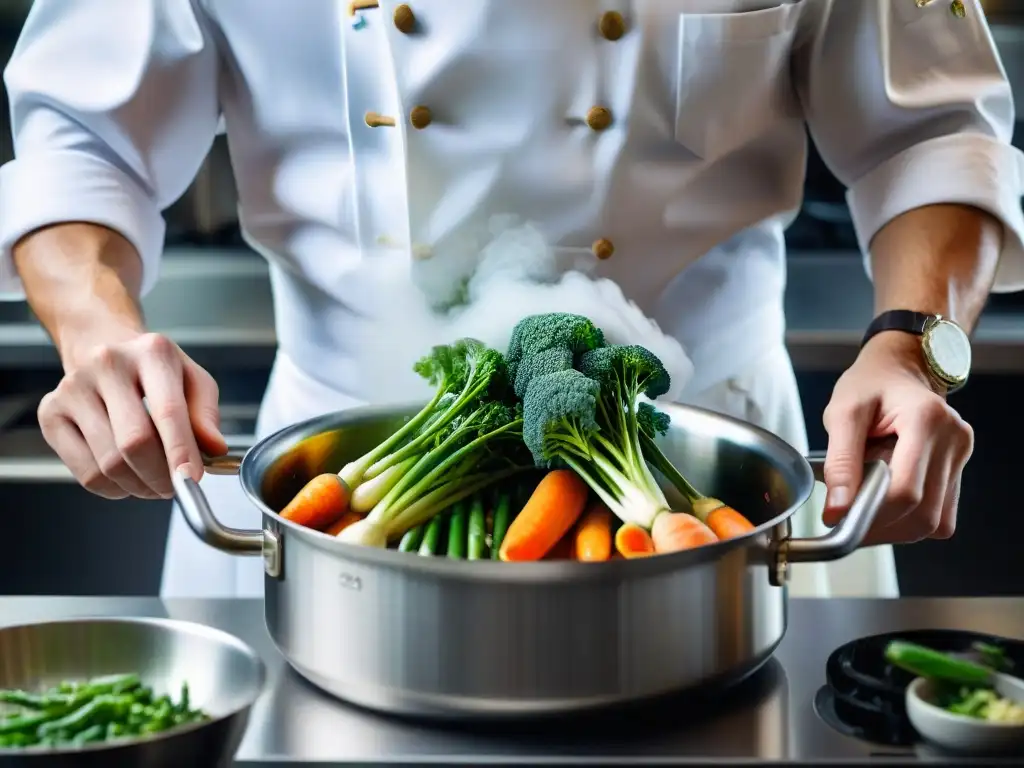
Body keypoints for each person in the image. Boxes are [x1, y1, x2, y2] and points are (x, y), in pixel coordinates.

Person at [1, 0, 1020, 599]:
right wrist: (96, 332)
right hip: (331, 502)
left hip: (722, 503)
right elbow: (84, 140)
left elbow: (930, 135)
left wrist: (912, 343)